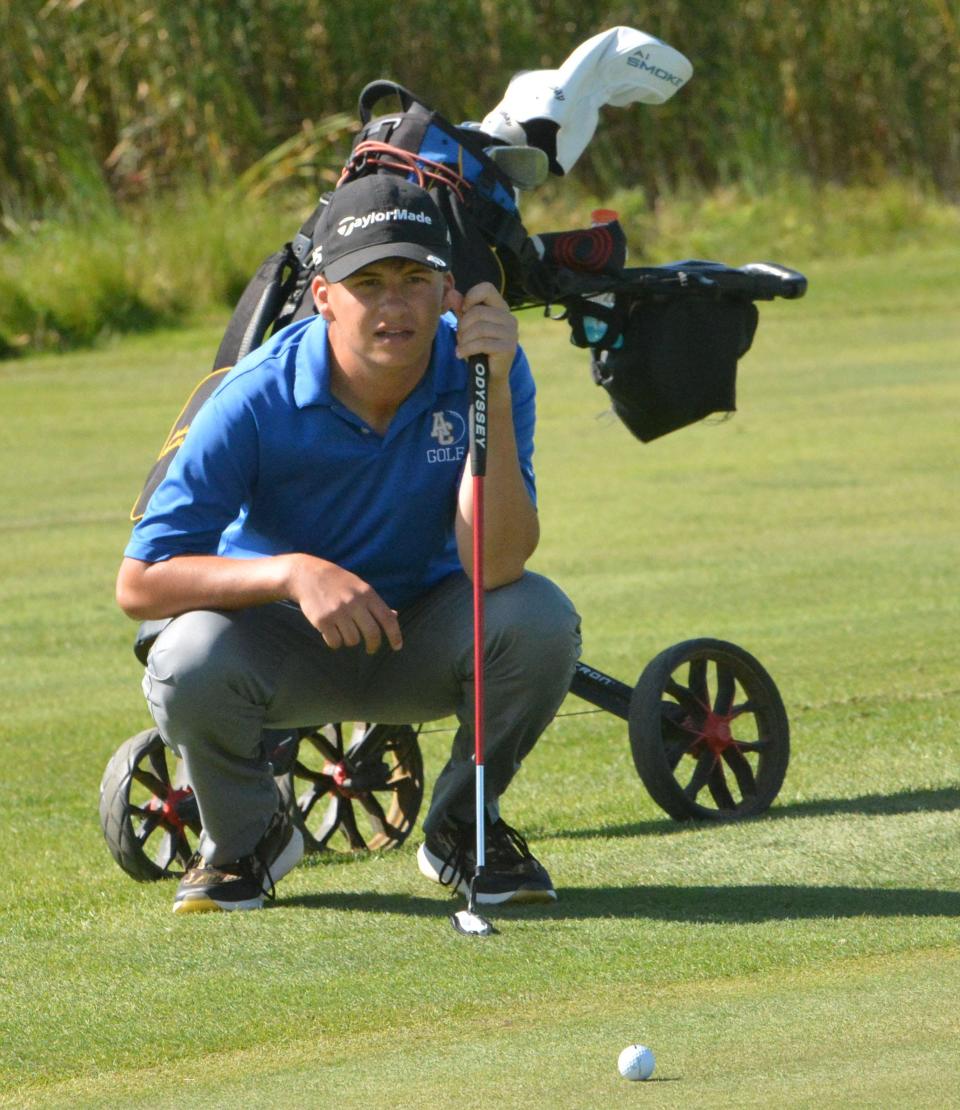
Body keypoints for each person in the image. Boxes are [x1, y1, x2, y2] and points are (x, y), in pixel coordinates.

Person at [116, 174, 581, 914]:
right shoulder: (256, 395)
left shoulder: (486, 365)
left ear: (447, 289)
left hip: (426, 634)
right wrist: (294, 575)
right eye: (368, 282)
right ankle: (249, 839)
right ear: (325, 294)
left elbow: (495, 564)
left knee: (541, 619)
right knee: (185, 660)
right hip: (278, 648)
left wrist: (484, 386)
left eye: (415, 278)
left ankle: (465, 831)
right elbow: (140, 582)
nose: (395, 304)